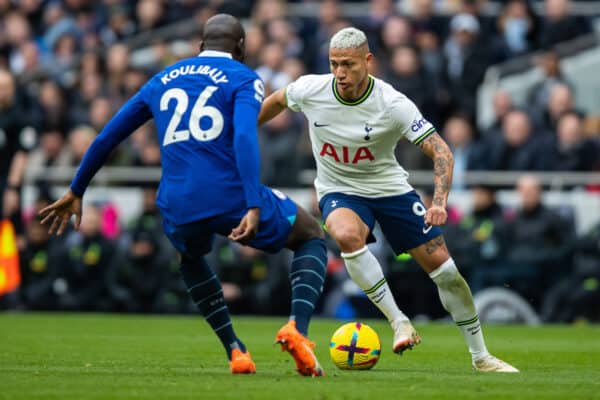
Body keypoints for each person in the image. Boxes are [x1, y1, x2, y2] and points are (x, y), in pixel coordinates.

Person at [39, 14, 327, 377]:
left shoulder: (161, 78)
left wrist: (76, 189)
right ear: (241, 48)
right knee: (311, 235)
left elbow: (107, 137)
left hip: (176, 202)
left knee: (191, 258)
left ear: (200, 47)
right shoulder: (244, 77)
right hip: (228, 195)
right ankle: (297, 330)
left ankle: (235, 350)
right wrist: (254, 203)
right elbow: (242, 138)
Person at [258, 26, 518, 373]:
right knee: (345, 234)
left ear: (368, 61)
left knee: (447, 273)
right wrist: (238, 134)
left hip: (390, 190)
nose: (340, 73)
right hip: (339, 189)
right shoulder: (311, 89)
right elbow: (276, 101)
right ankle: (399, 322)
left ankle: (480, 356)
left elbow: (441, 150)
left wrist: (439, 201)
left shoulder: (392, 104)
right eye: (334, 64)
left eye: (348, 64)